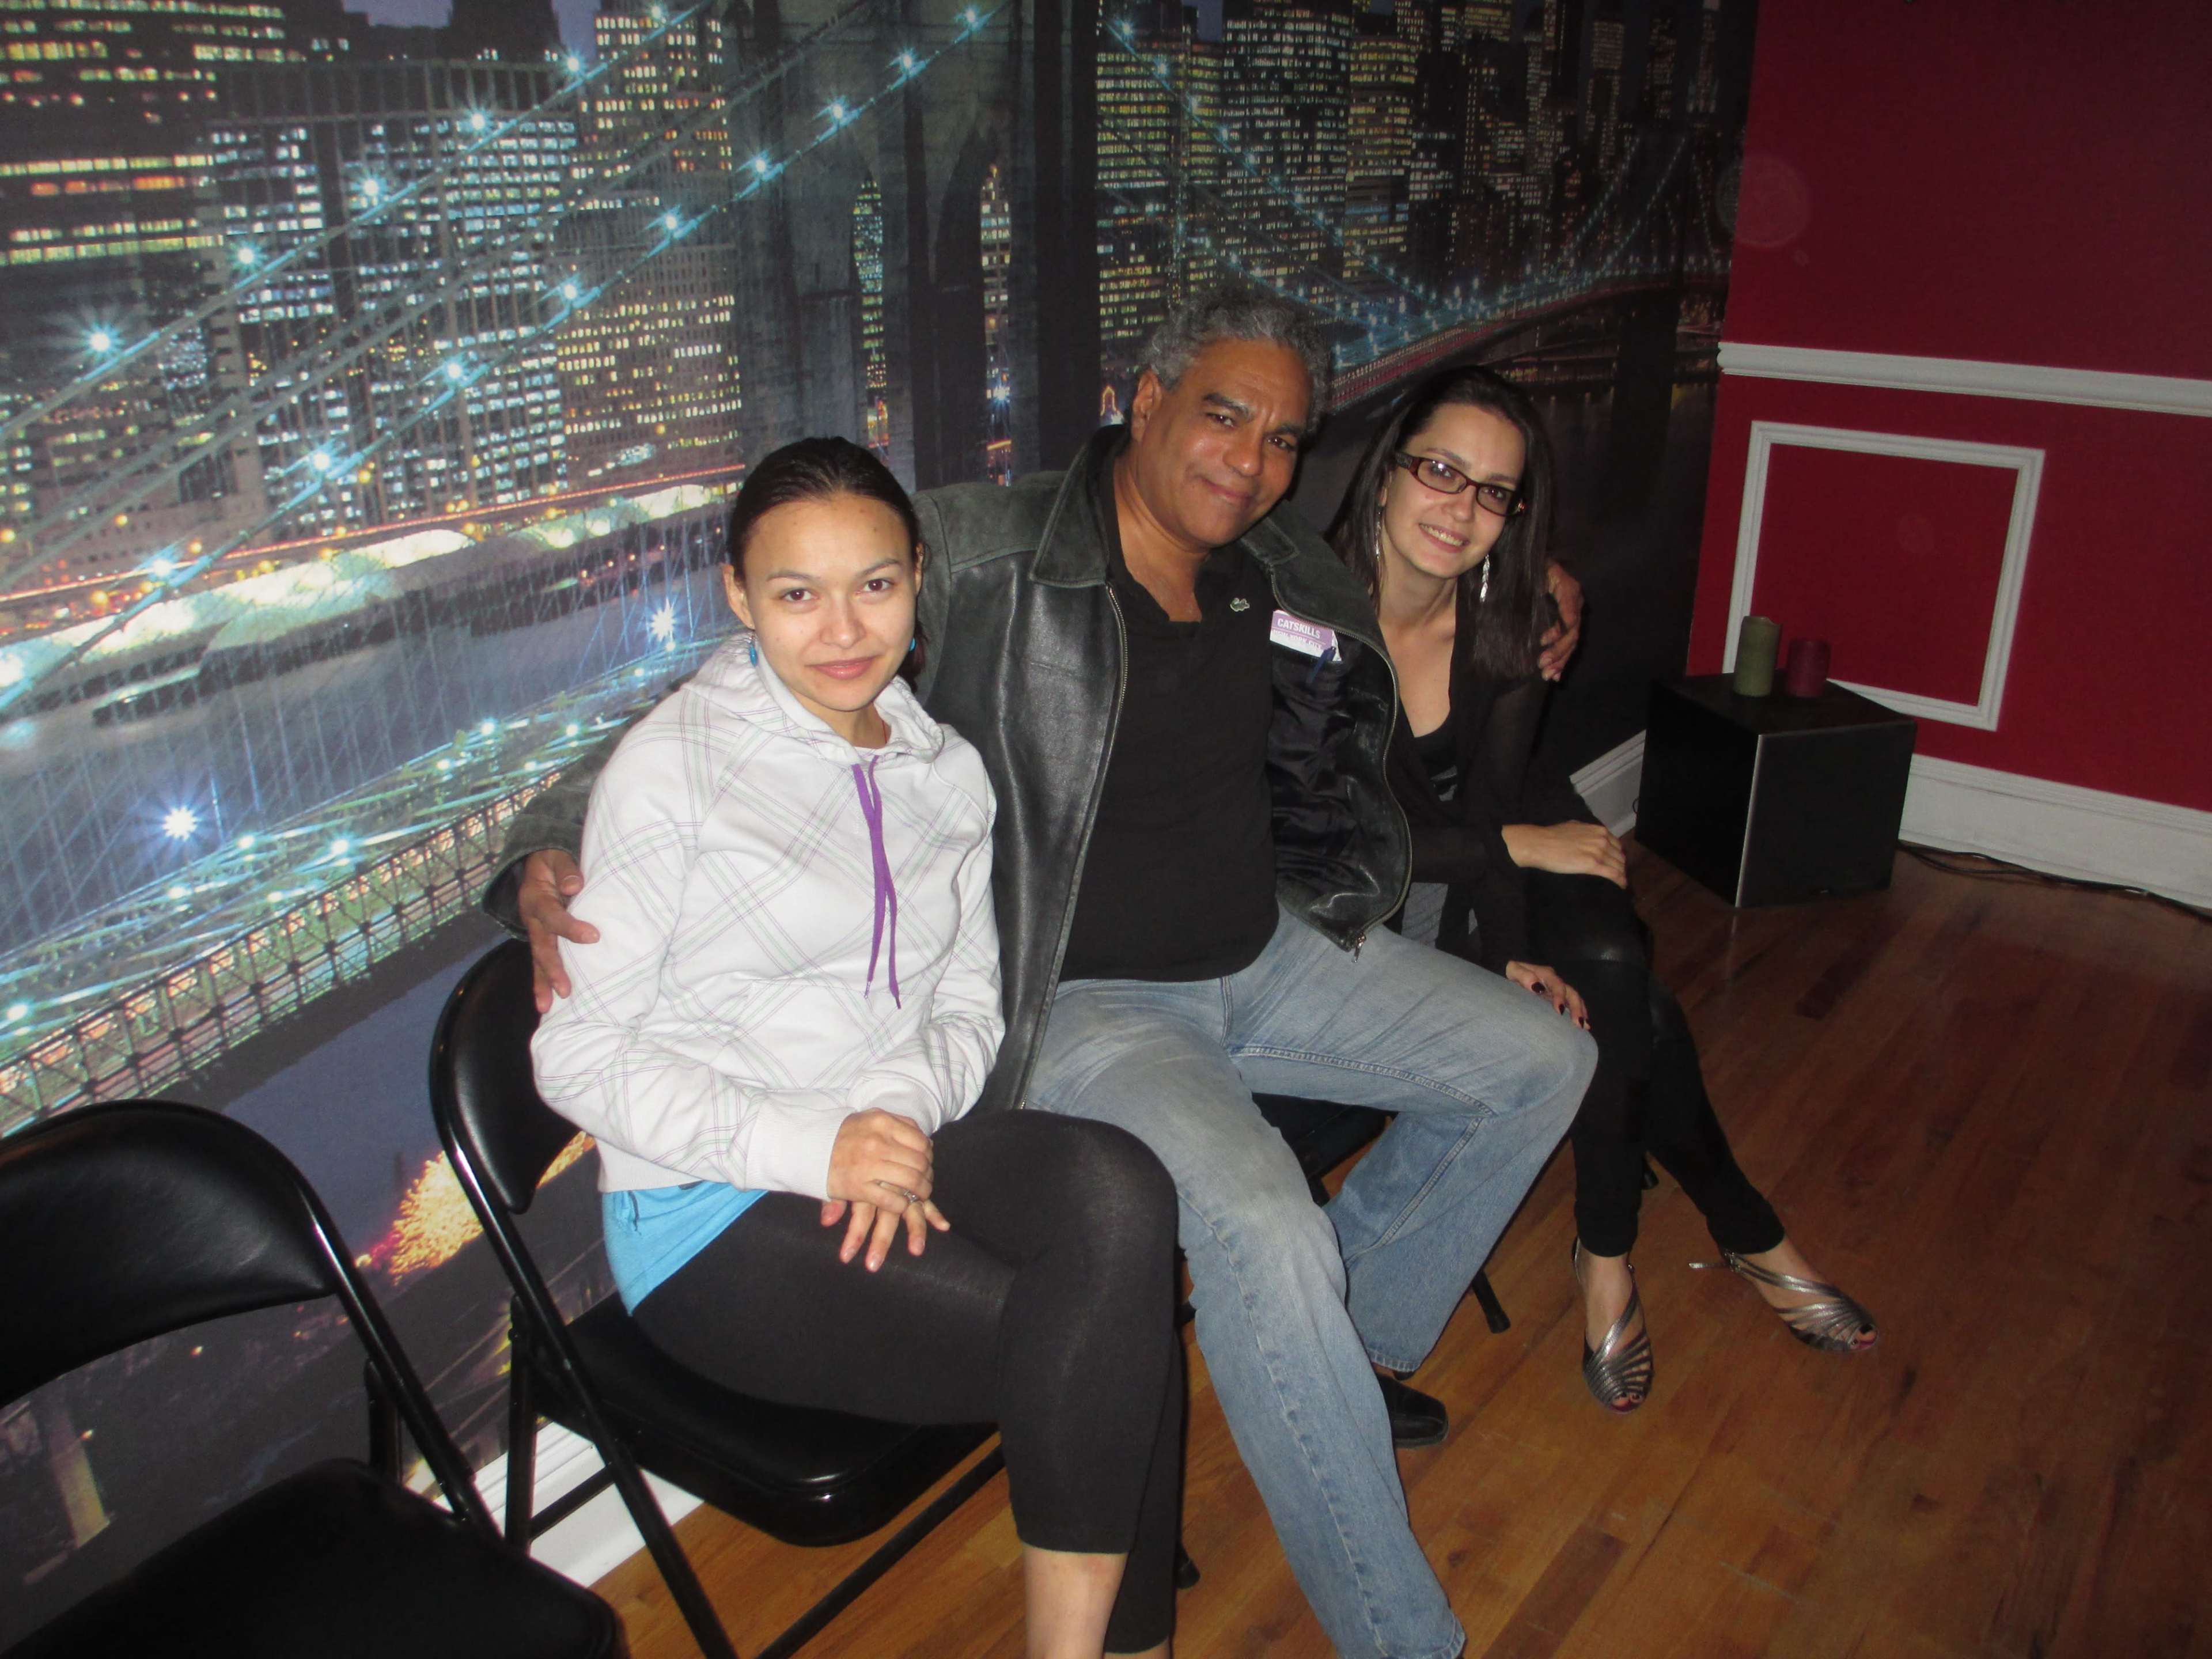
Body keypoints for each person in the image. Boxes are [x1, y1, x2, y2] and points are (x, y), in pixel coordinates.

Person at [495, 286, 1599, 1659]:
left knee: (1545, 1063)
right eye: (1221, 416)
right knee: (1257, 1230)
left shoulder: (1275, 561)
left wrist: (1526, 588)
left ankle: (1340, 1358)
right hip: (1093, 1006)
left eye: (1282, 438)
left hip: (1268, 950)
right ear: (1145, 402)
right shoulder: (977, 550)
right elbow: (752, 678)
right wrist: (547, 845)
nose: (1249, 461)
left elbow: (1392, 604)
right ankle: (1403, 1637)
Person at [529, 438, 1184, 1659]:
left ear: (918, 576)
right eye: (795, 594)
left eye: (875, 585)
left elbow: (967, 1011)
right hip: (708, 1216)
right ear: (737, 597)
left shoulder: (950, 776)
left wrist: (882, 1118)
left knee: (1119, 1189)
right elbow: (576, 1057)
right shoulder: (673, 771)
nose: (842, 630)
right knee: (1098, 1339)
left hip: (890, 1145)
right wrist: (811, 1145)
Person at [1327, 365, 1877, 1415]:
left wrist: (1510, 943)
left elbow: (1495, 802)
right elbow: (1346, 843)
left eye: (1495, 492)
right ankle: (1741, 1224)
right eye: (1442, 471)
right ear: (1385, 471)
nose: (1463, 508)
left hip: (1493, 849)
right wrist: (1513, 890)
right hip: (1391, 893)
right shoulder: (1307, 620)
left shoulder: (1514, 617)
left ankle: (1610, 1251)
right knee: (1641, 1012)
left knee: (1616, 968)